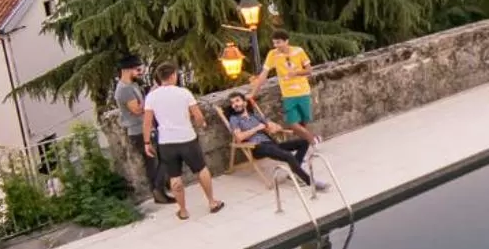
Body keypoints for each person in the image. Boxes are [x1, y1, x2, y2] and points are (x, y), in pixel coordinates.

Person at [145, 62, 224, 220]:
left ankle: (183, 210)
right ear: (173, 75)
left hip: (166, 142)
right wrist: (201, 124)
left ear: (159, 78)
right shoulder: (184, 92)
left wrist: (147, 143)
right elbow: (198, 115)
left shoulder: (151, 96)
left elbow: (147, 122)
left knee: (174, 176)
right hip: (187, 138)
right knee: (201, 169)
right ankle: (212, 202)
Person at [226, 91, 328, 192]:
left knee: (304, 142)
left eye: (237, 101)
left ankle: (295, 171)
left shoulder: (255, 116)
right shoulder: (234, 119)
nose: (235, 104)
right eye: (232, 103)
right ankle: (311, 182)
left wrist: (270, 127)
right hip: (257, 147)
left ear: (245, 102)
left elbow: (275, 127)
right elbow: (239, 137)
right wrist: (257, 128)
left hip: (271, 144)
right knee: (288, 156)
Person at [113, 54, 169, 204]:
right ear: (127, 70)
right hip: (138, 131)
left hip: (145, 127)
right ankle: (158, 191)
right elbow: (137, 110)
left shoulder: (132, 85)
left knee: (159, 160)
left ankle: (160, 190)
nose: (140, 72)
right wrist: (151, 94)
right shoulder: (124, 89)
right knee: (154, 162)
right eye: (137, 69)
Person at [252, 28, 321, 147]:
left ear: (286, 41)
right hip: (288, 94)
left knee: (304, 123)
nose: (276, 45)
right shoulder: (272, 54)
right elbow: (264, 74)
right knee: (292, 124)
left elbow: (309, 70)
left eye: (278, 42)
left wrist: (295, 73)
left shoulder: (298, 51)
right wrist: (253, 92)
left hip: (303, 91)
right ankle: (313, 139)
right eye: (274, 43)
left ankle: (306, 147)